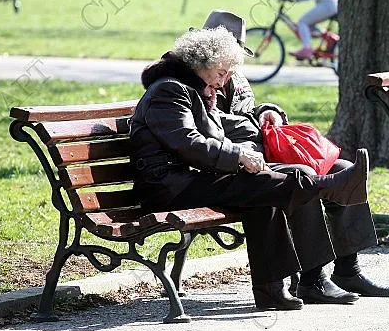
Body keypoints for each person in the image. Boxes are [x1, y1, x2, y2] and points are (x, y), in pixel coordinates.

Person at [129, 27, 370, 311]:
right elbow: (187, 142)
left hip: (194, 179)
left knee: (269, 191)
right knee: (284, 182)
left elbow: (222, 128)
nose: (223, 83)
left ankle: (272, 289)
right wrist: (238, 156)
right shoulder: (170, 90)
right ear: (201, 64)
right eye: (221, 74)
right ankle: (329, 189)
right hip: (169, 187)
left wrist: (263, 123)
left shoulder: (196, 89)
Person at [202, 10, 389, 302]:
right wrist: (246, 138)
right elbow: (205, 129)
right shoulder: (195, 78)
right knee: (300, 177)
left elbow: (245, 113)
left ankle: (348, 268)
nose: (234, 62)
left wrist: (269, 112)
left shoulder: (235, 76)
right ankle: (312, 279)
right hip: (233, 164)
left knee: (343, 168)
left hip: (258, 151)